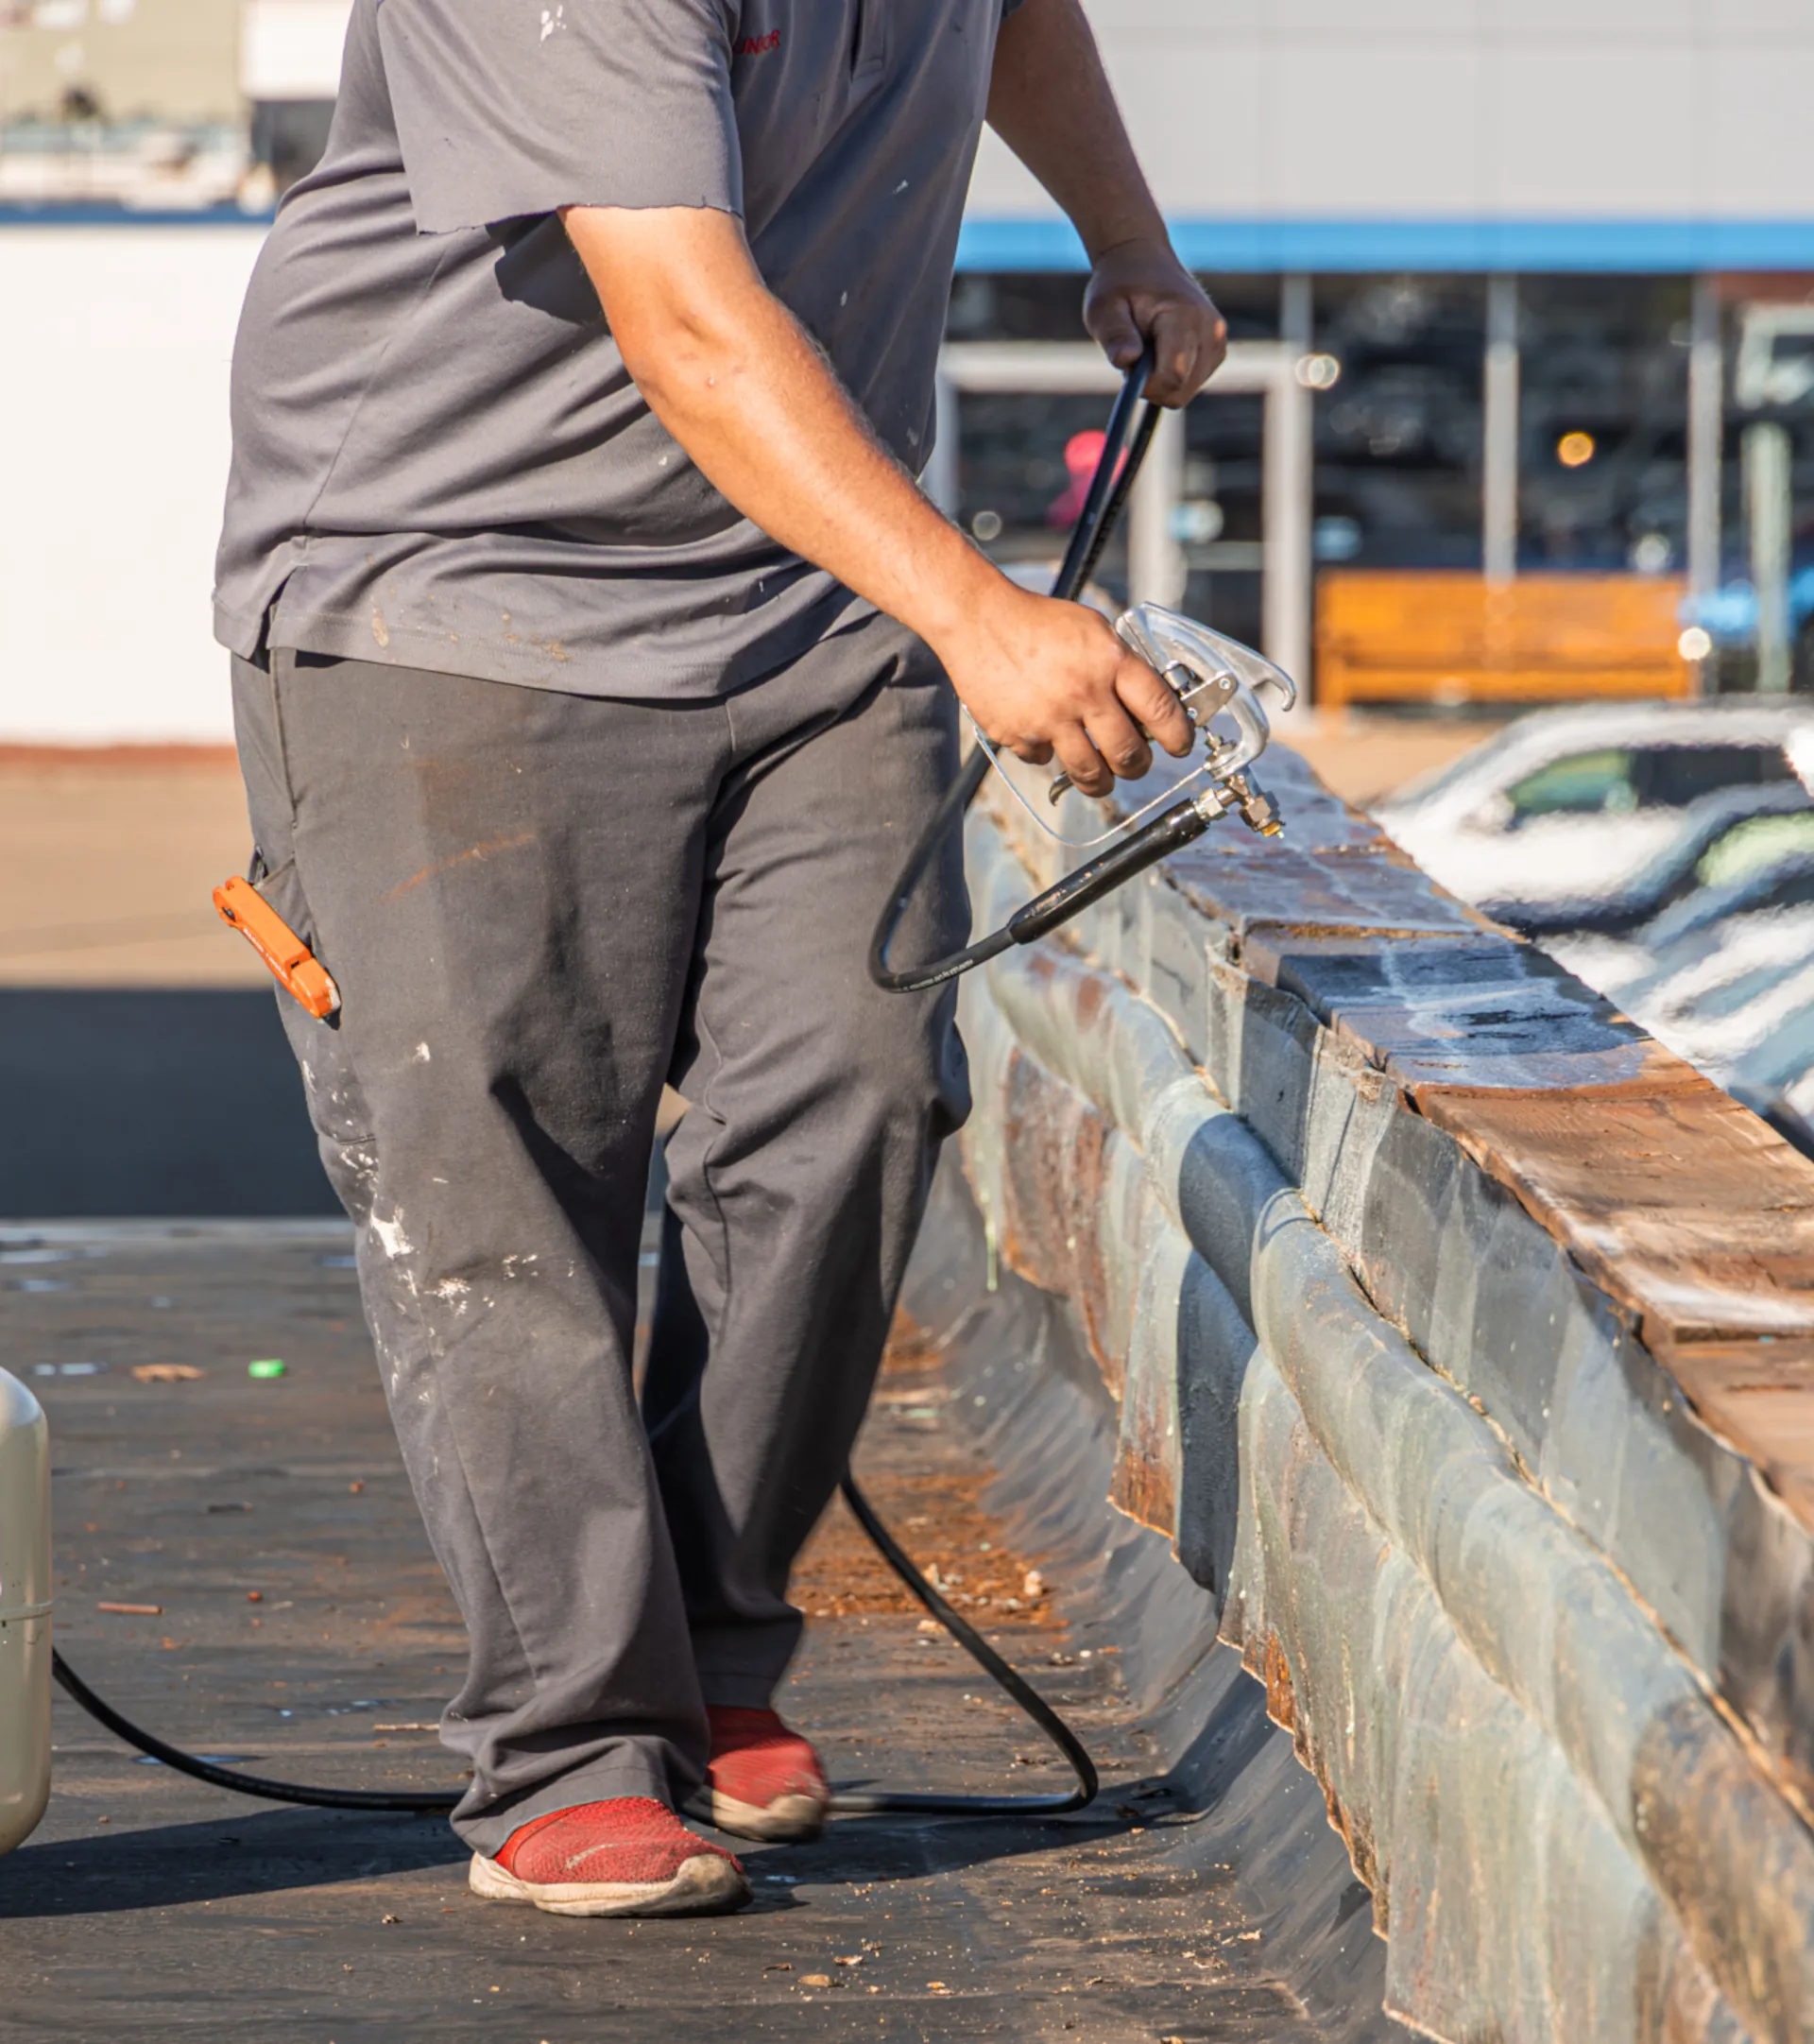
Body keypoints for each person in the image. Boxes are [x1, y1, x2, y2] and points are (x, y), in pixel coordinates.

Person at [214, 0, 1226, 1920]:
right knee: (508, 1176)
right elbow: (682, 316)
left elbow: (1014, 13)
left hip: (809, 595)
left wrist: (1128, 235)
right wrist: (978, 618)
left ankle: (704, 1634)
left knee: (854, 1094)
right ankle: (576, 1743)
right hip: (454, 591)